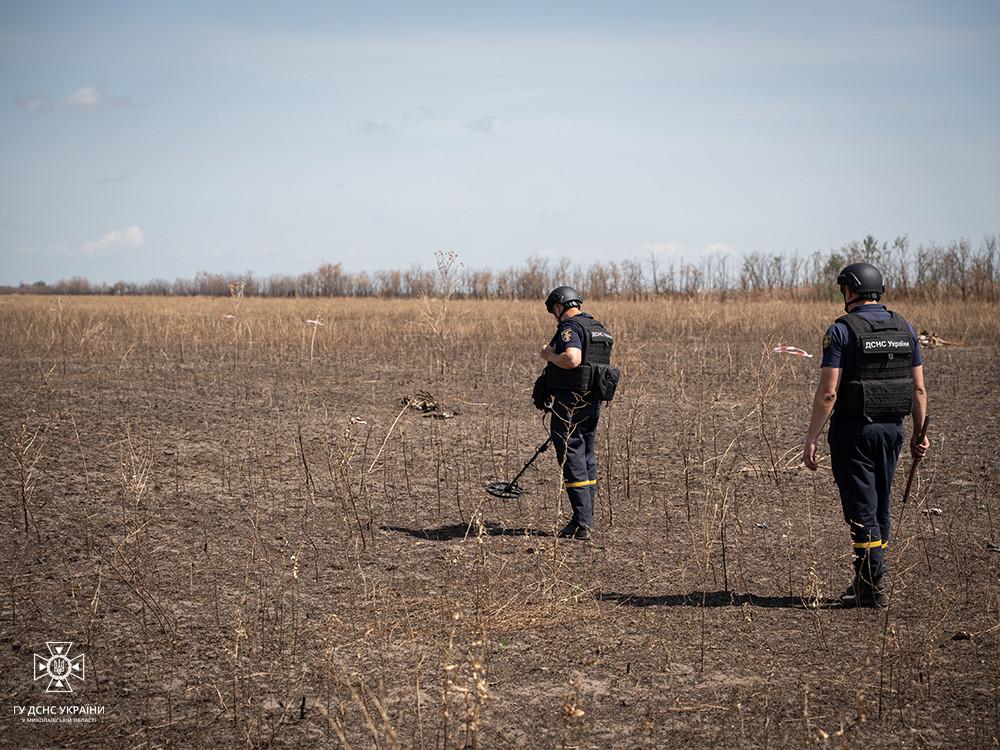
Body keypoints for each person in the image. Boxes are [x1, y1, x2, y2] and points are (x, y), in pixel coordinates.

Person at [803, 262, 929, 608]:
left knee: (862, 510)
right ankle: (866, 581)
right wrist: (920, 432)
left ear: (850, 291)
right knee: (879, 506)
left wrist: (812, 436)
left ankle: (872, 587)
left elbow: (829, 393)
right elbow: (918, 390)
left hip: (854, 432)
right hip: (893, 431)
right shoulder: (906, 327)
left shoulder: (842, 331)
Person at [536, 286, 614, 541]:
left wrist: (549, 354)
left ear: (559, 306)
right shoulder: (599, 328)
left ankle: (583, 523)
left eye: (553, 311)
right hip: (592, 402)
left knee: (572, 458)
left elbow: (572, 359)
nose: (553, 316)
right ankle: (583, 519)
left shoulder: (569, 328)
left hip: (571, 403)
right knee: (586, 457)